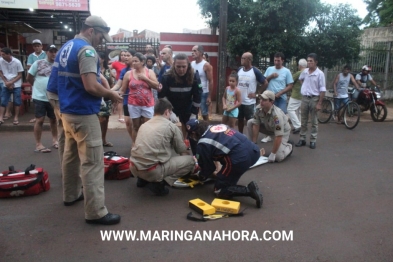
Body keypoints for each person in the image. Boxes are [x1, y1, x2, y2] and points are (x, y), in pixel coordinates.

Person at [47, 15, 123, 225]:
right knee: (92, 162)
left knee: (70, 155)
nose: (101, 40)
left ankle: (70, 195)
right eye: (100, 35)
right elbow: (90, 86)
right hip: (82, 112)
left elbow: (52, 85)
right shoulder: (87, 50)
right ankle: (96, 212)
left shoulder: (66, 47)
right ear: (91, 31)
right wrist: (110, 94)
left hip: (66, 111)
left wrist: (59, 108)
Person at [186, 119, 263, 208]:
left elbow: (208, 168)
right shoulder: (215, 126)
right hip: (254, 151)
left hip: (239, 160)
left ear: (194, 133)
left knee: (219, 190)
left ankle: (249, 190)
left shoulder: (202, 144)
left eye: (191, 135)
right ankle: (229, 181)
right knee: (228, 177)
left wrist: (200, 175)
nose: (192, 138)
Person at [129, 98, 195, 196]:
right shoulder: (171, 126)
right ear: (167, 111)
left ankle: (142, 179)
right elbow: (182, 151)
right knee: (190, 161)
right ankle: (161, 183)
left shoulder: (144, 125)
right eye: (171, 112)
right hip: (152, 171)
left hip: (134, 167)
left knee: (149, 155)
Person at [158, 53, 202, 150]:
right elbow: (161, 96)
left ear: (188, 65)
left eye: (183, 66)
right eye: (178, 66)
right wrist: (169, 111)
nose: (181, 69)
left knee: (193, 128)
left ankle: (195, 155)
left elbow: (198, 95)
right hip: (170, 105)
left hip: (187, 105)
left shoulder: (194, 75)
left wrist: (194, 113)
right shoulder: (167, 76)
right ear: (174, 65)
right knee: (165, 128)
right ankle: (165, 150)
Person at [120, 52, 159, 145]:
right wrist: (116, 95)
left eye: (136, 61)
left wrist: (145, 79)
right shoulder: (128, 73)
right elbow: (122, 89)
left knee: (147, 126)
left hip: (147, 103)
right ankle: (135, 145)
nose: (133, 63)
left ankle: (147, 145)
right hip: (133, 103)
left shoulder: (149, 72)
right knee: (135, 126)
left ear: (142, 62)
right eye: (132, 61)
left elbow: (156, 85)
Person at [27, 45, 58, 153]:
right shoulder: (38, 63)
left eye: (55, 52)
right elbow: (29, 77)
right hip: (39, 96)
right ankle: (38, 144)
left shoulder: (58, 65)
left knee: (53, 119)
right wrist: (37, 87)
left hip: (53, 97)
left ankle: (55, 140)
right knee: (40, 120)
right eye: (51, 52)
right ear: (47, 52)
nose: (53, 54)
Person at [247, 90, 293, 162]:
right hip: (269, 128)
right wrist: (254, 144)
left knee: (278, 157)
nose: (261, 101)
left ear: (271, 102)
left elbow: (279, 136)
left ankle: (288, 147)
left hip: (282, 133)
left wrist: (273, 154)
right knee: (250, 122)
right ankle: (250, 147)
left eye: (264, 100)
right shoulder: (258, 109)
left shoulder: (277, 116)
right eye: (261, 99)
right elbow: (256, 125)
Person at [261, 52, 294, 143]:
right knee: (267, 116)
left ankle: (281, 135)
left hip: (281, 98)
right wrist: (271, 76)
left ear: (282, 61)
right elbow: (264, 81)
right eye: (275, 60)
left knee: (280, 116)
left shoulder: (286, 71)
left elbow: (290, 85)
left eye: (278, 60)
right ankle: (268, 135)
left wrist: (281, 92)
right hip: (269, 98)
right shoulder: (269, 69)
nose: (276, 62)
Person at [296, 53, 326, 149]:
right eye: (308, 61)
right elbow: (300, 79)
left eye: (311, 61)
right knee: (303, 120)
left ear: (316, 62)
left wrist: (319, 103)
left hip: (314, 98)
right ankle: (302, 139)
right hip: (305, 98)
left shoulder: (320, 74)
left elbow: (322, 90)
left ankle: (313, 140)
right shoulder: (304, 72)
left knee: (314, 121)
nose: (309, 63)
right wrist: (304, 86)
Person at [237, 52, 267, 134]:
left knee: (250, 122)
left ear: (249, 60)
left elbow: (265, 82)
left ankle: (251, 139)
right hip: (239, 102)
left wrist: (257, 94)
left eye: (243, 58)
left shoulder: (255, 71)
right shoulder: (239, 70)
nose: (241, 60)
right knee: (239, 120)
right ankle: (240, 135)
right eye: (241, 58)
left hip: (249, 103)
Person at [111, 49, 135, 140]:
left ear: (133, 56)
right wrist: (109, 91)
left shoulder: (141, 70)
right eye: (124, 55)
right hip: (127, 99)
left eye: (128, 55)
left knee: (139, 123)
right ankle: (134, 141)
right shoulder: (124, 70)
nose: (125, 57)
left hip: (139, 100)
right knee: (128, 122)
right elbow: (118, 84)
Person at [0, 47, 24, 125]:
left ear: (9, 54)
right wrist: (6, 82)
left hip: (16, 84)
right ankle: (1, 117)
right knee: (3, 101)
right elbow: (0, 72)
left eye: (3, 54)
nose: (2, 56)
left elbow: (20, 75)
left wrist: (11, 82)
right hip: (6, 83)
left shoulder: (17, 62)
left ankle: (16, 117)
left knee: (17, 101)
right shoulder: (1, 61)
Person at [191, 45, 214, 121]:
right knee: (194, 113)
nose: (192, 53)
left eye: (195, 51)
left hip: (203, 92)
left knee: (204, 113)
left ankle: (206, 129)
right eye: (192, 51)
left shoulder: (206, 65)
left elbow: (210, 81)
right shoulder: (191, 64)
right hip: (193, 92)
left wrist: (209, 96)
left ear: (200, 52)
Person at [97, 51, 114, 147]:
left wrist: (112, 95)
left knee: (106, 120)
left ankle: (104, 139)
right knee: (100, 119)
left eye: (99, 57)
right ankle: (98, 140)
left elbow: (111, 83)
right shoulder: (94, 69)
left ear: (103, 59)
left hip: (107, 97)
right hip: (97, 97)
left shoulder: (108, 70)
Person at [287, 58, 307, 134]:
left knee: (290, 109)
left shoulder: (299, 73)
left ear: (300, 65)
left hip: (296, 94)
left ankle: (297, 125)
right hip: (303, 94)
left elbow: (291, 80)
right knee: (299, 111)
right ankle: (300, 125)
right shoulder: (307, 72)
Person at [109, 50, 127, 123]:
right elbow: (108, 68)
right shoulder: (116, 63)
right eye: (122, 55)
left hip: (127, 82)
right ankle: (120, 116)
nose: (123, 56)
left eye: (125, 55)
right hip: (119, 82)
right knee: (120, 99)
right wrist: (113, 75)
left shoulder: (129, 64)